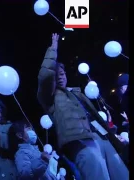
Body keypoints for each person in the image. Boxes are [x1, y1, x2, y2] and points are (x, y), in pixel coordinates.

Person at [37, 33, 128, 180]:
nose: (61, 76)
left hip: (101, 138)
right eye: (57, 74)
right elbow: (44, 76)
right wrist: (53, 47)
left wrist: (111, 133)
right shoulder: (49, 98)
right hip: (80, 141)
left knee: (122, 175)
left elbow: (94, 117)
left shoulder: (77, 93)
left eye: (63, 73)